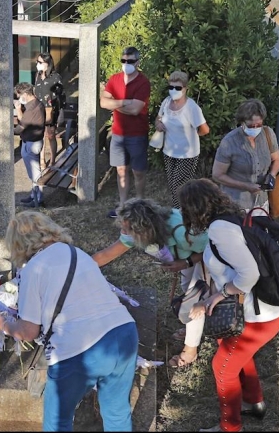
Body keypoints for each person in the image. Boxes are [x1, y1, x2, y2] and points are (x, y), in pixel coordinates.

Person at [0, 211, 138, 431]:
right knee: (117, 412)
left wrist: (3, 324)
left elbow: (29, 331)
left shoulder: (33, 268)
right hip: (124, 332)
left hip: (79, 349)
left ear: (17, 244)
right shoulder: (76, 252)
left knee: (58, 421)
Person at [180, 179, 279, 432]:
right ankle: (254, 401)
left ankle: (230, 427)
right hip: (265, 309)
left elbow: (249, 274)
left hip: (256, 317)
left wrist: (219, 295)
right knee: (232, 350)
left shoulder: (220, 230)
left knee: (223, 368)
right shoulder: (232, 217)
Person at [92, 198, 208, 368]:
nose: (124, 232)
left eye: (127, 229)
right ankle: (193, 329)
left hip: (205, 259)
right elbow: (105, 255)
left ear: (143, 228)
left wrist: (186, 263)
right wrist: (77, 267)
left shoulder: (182, 229)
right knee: (187, 291)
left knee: (194, 302)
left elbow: (211, 249)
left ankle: (190, 352)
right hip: (186, 258)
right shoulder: (136, 231)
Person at [100, 46, 151, 218]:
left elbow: (136, 110)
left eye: (129, 61)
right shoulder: (114, 79)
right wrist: (126, 102)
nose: (126, 64)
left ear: (137, 62)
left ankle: (139, 204)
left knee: (138, 172)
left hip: (137, 134)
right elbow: (103, 102)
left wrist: (115, 103)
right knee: (121, 170)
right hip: (118, 134)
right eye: (123, 61)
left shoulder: (143, 82)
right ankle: (122, 206)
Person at [212, 99, 279, 211]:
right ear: (242, 122)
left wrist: (272, 175)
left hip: (261, 202)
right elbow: (217, 175)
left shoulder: (268, 134)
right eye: (251, 126)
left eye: (259, 125)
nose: (255, 128)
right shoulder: (229, 142)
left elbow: (277, 159)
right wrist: (245, 186)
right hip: (236, 203)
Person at [153, 71, 209, 208]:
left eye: (178, 88)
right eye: (171, 87)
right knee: (173, 185)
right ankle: (181, 211)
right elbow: (158, 118)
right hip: (169, 151)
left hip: (187, 154)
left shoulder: (192, 108)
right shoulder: (166, 102)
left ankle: (181, 213)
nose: (174, 91)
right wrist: (158, 125)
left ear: (185, 89)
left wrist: (193, 136)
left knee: (179, 185)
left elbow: (205, 129)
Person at [13, 82, 46, 208]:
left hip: (32, 143)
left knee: (35, 173)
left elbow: (21, 127)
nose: (18, 97)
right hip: (31, 141)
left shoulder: (32, 109)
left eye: (19, 95)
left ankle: (39, 199)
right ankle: (34, 195)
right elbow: (24, 120)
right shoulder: (36, 103)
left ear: (25, 94)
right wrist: (19, 109)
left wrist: (10, 131)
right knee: (33, 172)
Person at [33, 53, 65, 170]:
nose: (38, 64)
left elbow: (61, 95)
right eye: (37, 62)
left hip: (51, 110)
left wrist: (54, 106)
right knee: (40, 135)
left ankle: (52, 160)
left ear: (47, 64)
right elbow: (36, 91)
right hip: (39, 109)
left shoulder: (55, 77)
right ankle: (41, 160)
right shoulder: (38, 75)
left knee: (51, 135)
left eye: (40, 62)